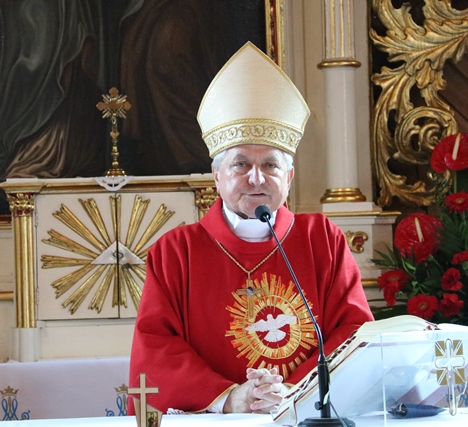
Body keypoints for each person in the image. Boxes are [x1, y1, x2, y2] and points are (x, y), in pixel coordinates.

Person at [128, 42, 374, 415]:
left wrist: (292, 392)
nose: (256, 178)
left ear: (289, 177)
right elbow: (155, 348)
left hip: (307, 417)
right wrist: (232, 398)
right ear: (217, 175)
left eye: (271, 165)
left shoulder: (321, 239)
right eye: (241, 164)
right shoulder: (176, 251)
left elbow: (354, 331)